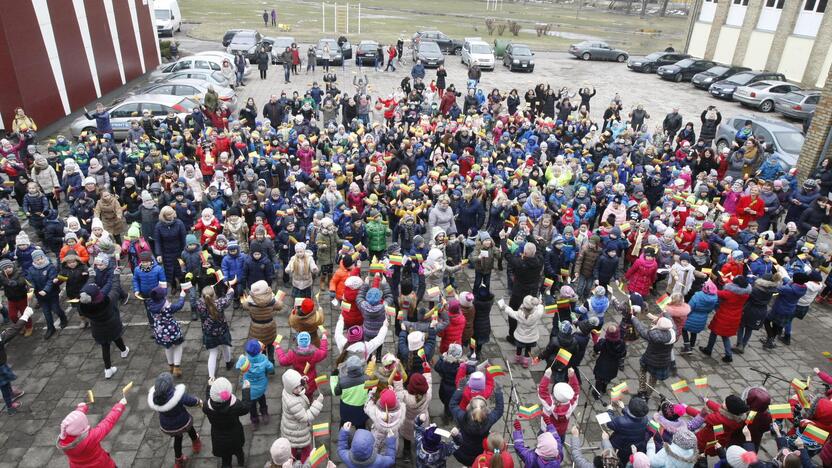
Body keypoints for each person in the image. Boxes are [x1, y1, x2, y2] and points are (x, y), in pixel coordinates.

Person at [147, 372, 202, 467]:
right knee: (190, 429)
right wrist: (198, 402)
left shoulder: (155, 398)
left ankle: (179, 460)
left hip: (167, 426)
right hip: (182, 422)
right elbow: (190, 401)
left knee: (178, 439)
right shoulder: (177, 395)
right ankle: (196, 443)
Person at [78, 284, 129, 380]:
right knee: (117, 337)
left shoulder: (83, 306)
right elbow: (114, 287)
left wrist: (92, 276)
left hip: (98, 330)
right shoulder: (107, 301)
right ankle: (123, 351)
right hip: (112, 326)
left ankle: (108, 370)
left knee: (105, 348)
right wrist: (116, 274)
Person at [58, 397, 128, 466]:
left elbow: (74, 421)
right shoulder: (91, 438)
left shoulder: (63, 440)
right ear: (82, 428)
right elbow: (108, 422)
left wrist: (81, 409)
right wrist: (119, 406)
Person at [204, 377, 250, 468]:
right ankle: (241, 462)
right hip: (235, 436)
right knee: (239, 451)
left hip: (219, 439)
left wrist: (209, 387)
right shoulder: (235, 406)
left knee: (225, 459)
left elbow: (208, 399)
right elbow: (246, 407)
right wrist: (246, 390)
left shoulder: (207, 407)